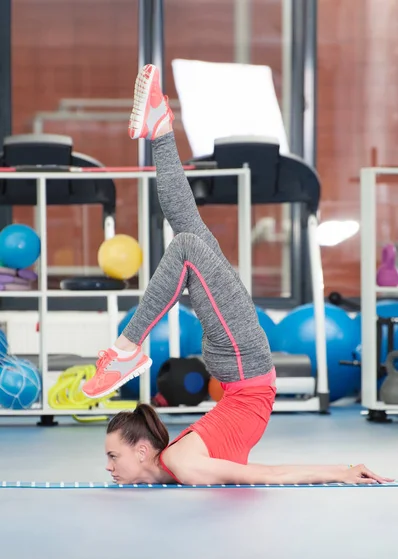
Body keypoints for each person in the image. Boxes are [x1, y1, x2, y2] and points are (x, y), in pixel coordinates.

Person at [83, 64, 393, 487]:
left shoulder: (182, 463)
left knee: (186, 228)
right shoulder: (184, 465)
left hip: (235, 366)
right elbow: (264, 474)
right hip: (243, 366)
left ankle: (160, 128)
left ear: (142, 451)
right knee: (188, 247)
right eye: (110, 455)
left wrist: (341, 471)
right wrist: (342, 471)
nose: (108, 465)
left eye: (111, 455)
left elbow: (261, 471)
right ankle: (127, 348)